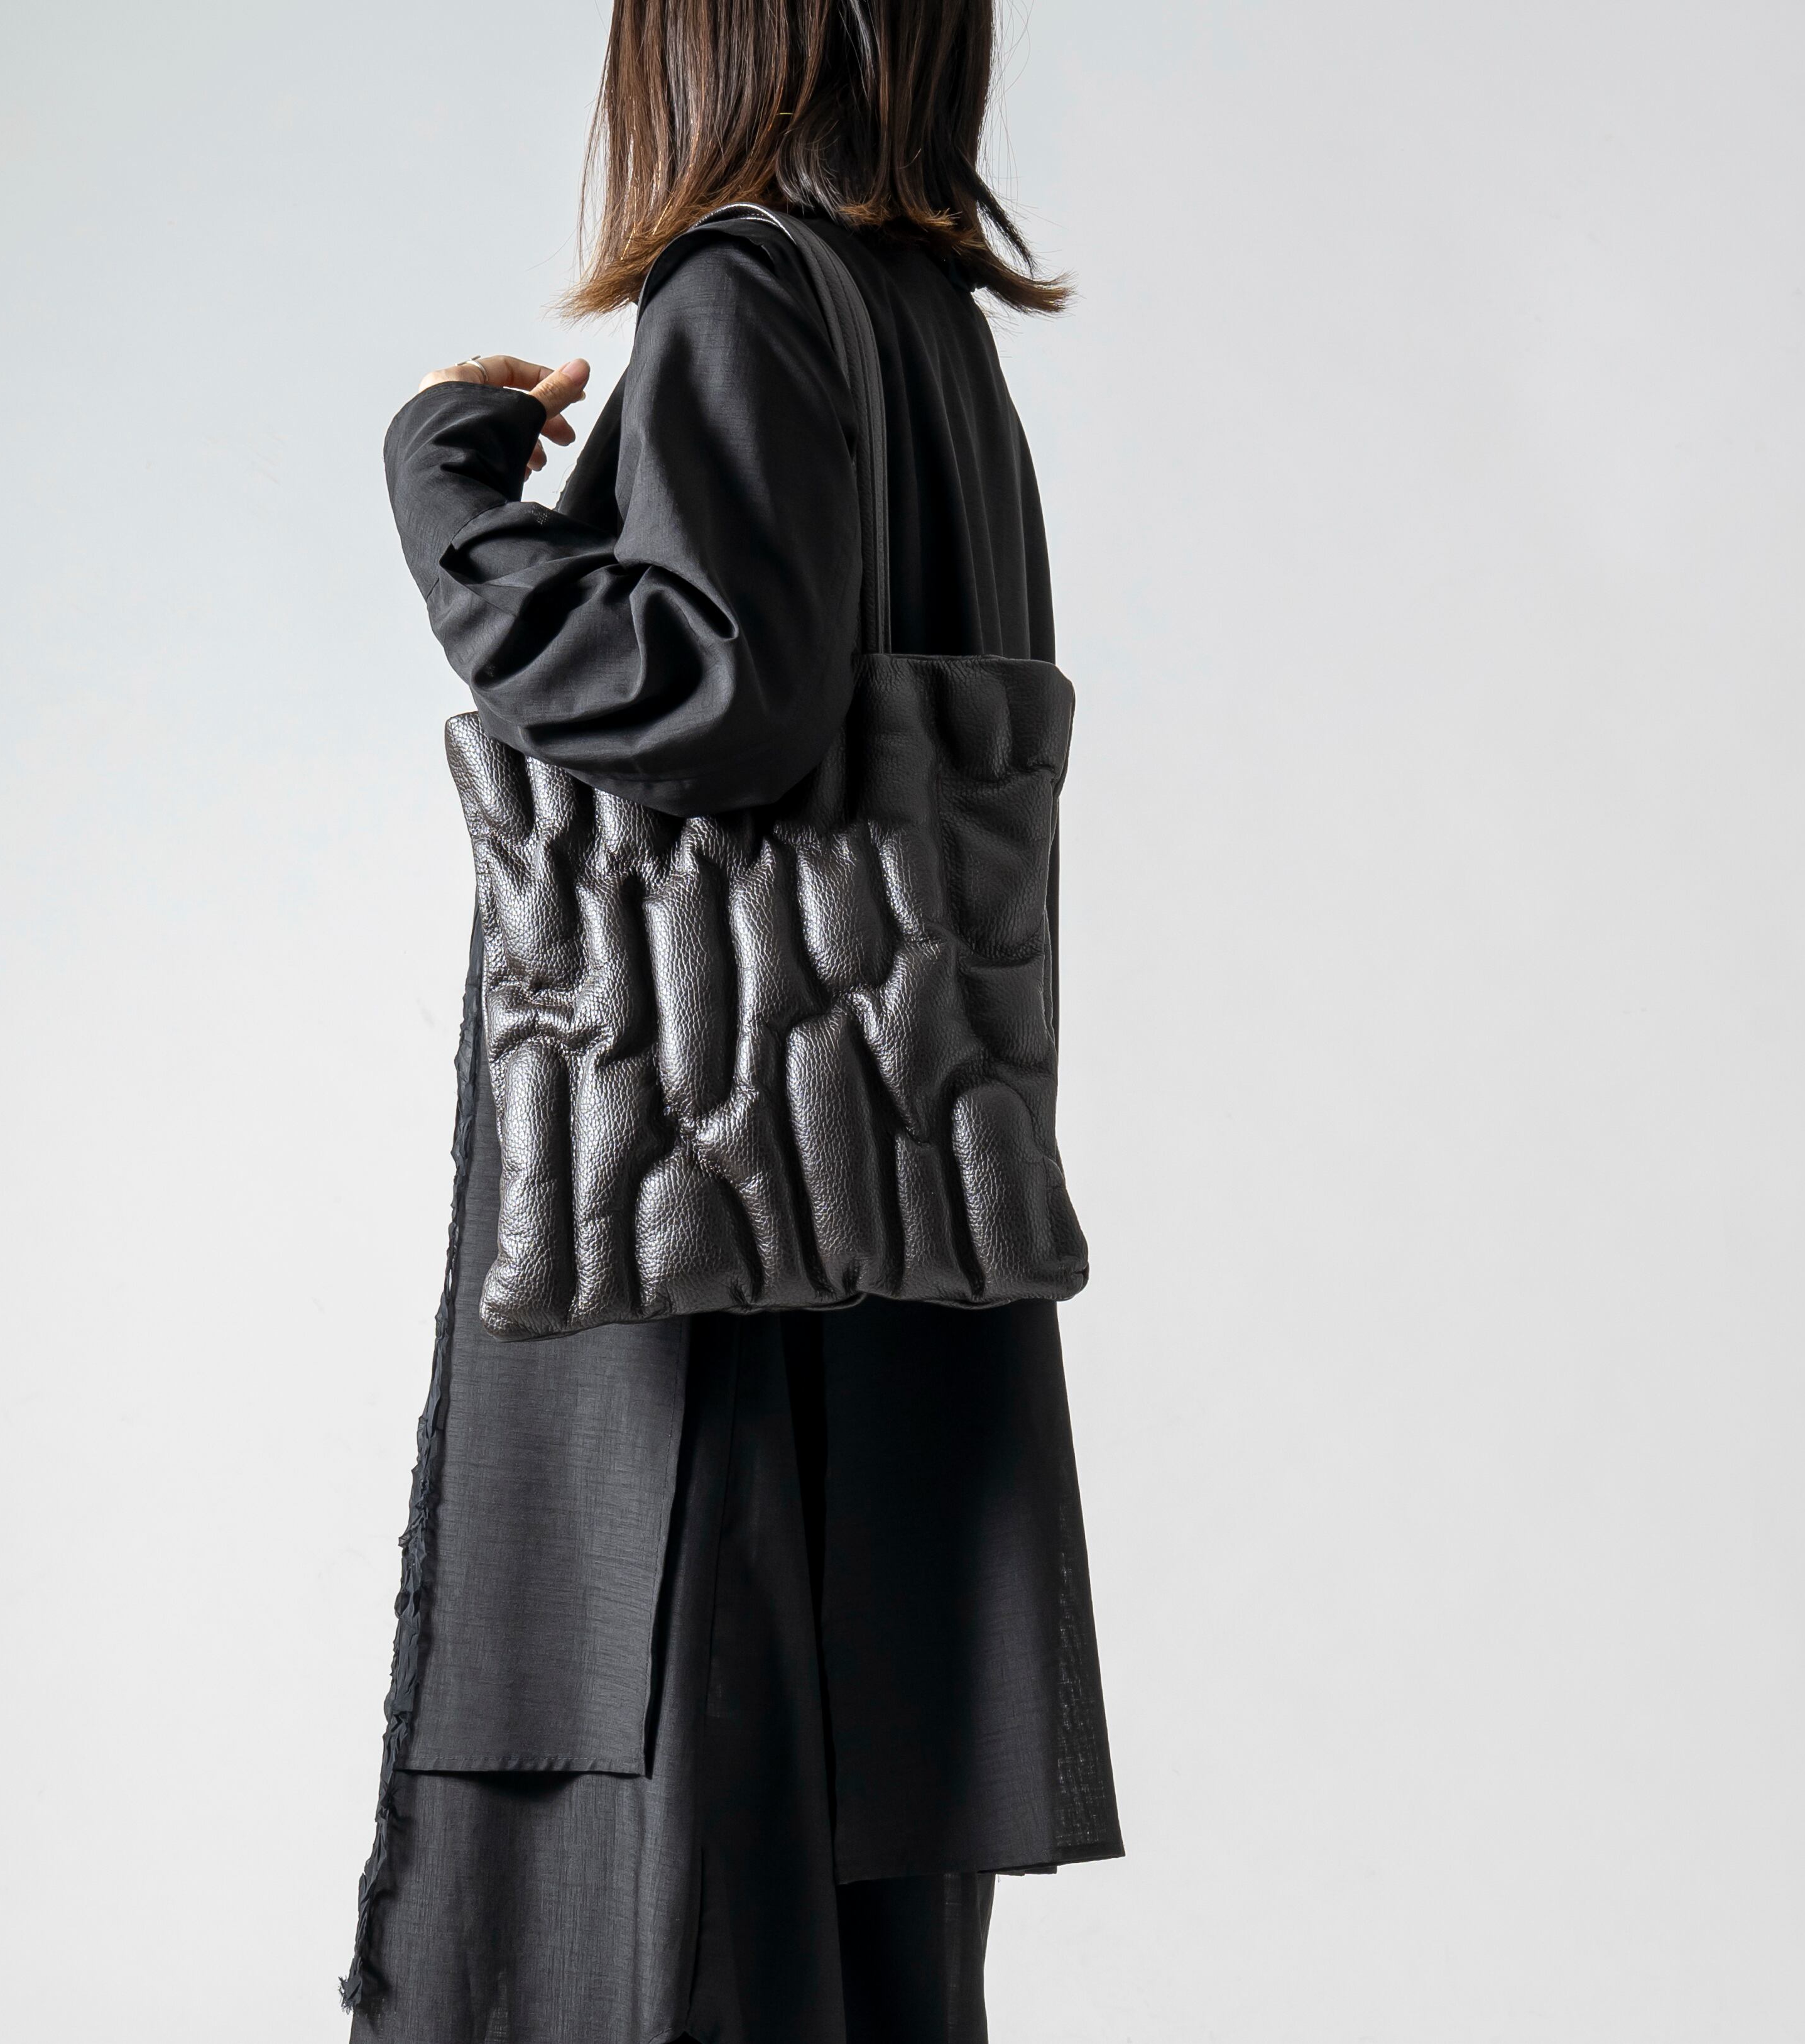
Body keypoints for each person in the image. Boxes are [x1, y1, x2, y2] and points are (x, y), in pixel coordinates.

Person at [342, 4, 1119, 2038]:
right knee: (846, 1932)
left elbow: (717, 701)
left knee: (664, 1892)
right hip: (885, 1254)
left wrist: (450, 498)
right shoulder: (931, 335)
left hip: (706, 1282)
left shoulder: (746, 297)